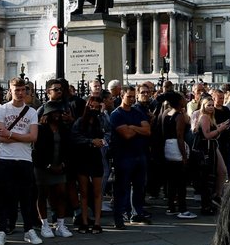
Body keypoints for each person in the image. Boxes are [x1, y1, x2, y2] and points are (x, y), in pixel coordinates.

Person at [0, 77, 41, 245]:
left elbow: (33, 137)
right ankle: (1, 231)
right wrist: (21, 137)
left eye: (23, 90)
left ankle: (29, 230)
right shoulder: (2, 110)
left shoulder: (32, 112)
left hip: (25, 159)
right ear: (10, 90)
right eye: (17, 90)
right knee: (5, 197)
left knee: (27, 197)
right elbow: (0, 138)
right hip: (6, 159)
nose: (20, 93)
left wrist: (11, 134)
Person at [109, 86, 152, 229]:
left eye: (134, 96)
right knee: (122, 188)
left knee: (139, 187)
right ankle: (120, 216)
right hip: (123, 156)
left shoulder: (137, 112)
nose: (132, 99)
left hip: (139, 154)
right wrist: (135, 129)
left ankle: (136, 213)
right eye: (129, 96)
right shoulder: (116, 114)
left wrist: (132, 127)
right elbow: (125, 134)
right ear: (122, 96)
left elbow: (147, 131)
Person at [33, 101, 75, 239]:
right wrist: (48, 165)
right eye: (54, 113)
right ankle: (44, 224)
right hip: (43, 167)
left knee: (61, 194)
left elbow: (68, 148)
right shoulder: (41, 128)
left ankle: (60, 224)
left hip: (60, 166)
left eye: (59, 112)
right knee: (42, 195)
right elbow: (36, 150)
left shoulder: (64, 128)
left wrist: (63, 165)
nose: (57, 115)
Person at [73, 95, 109, 233]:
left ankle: (97, 222)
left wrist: (104, 112)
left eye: (97, 106)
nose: (94, 109)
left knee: (97, 191)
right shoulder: (80, 121)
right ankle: (84, 221)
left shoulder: (101, 120)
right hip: (83, 157)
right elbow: (75, 137)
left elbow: (108, 132)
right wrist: (90, 141)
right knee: (83, 191)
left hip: (96, 157)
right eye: (91, 106)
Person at [160, 94, 197, 219]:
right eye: (183, 99)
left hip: (167, 147)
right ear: (179, 102)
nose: (185, 100)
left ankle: (171, 207)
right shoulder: (179, 116)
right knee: (181, 181)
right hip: (176, 147)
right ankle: (183, 209)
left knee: (171, 181)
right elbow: (180, 137)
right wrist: (184, 156)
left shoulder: (166, 114)